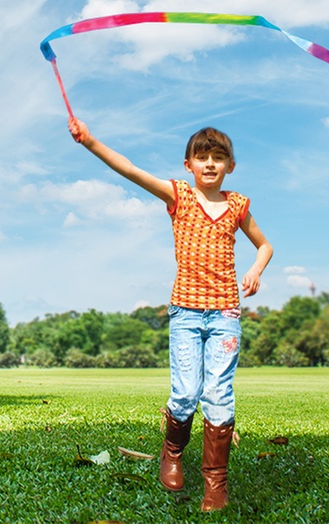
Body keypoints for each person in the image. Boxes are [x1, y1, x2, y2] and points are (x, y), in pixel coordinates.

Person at [68, 117, 273, 512]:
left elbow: (265, 246)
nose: (210, 164)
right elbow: (130, 170)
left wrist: (255, 269)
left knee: (218, 395)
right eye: (202, 157)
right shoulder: (178, 196)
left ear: (230, 166)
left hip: (225, 314)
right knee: (184, 395)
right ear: (188, 165)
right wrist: (91, 141)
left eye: (219, 158)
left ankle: (216, 484)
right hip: (186, 314)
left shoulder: (237, 205)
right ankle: (172, 454)